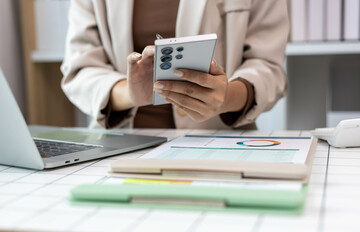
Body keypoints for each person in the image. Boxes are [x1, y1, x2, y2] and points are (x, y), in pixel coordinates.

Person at [61, 0, 289, 130]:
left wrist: (225, 97)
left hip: (218, 141)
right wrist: (128, 93)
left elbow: (270, 67)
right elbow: (80, 68)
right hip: (123, 148)